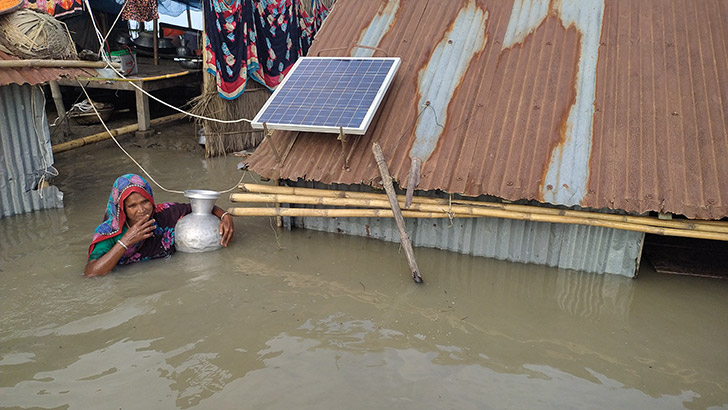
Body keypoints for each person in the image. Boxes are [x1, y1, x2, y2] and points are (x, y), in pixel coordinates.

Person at [85, 174, 234, 277]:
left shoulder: (164, 213)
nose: (142, 210)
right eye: (132, 206)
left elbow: (200, 207)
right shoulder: (109, 231)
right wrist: (126, 241)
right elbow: (91, 273)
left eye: (145, 202)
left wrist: (224, 215)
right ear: (122, 208)